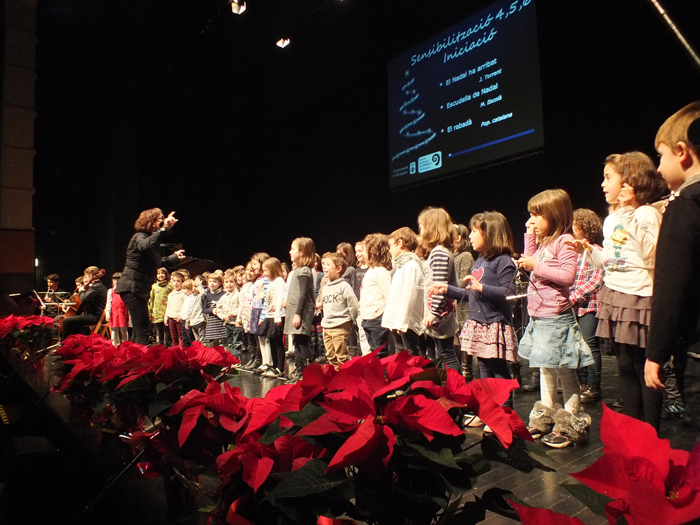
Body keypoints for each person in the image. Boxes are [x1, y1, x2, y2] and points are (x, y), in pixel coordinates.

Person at [576, 153, 667, 431]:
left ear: (629, 182)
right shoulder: (611, 219)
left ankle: (651, 433)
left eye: (609, 177)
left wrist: (629, 212)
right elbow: (611, 262)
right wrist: (590, 253)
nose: (603, 184)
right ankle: (634, 431)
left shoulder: (646, 213)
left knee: (643, 368)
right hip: (615, 295)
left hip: (640, 297)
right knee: (625, 366)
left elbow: (650, 255)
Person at [518, 189, 594, 448]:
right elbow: (531, 260)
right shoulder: (543, 243)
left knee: (564, 371)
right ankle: (545, 417)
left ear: (552, 214)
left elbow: (567, 276)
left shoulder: (564, 241)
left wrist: (534, 266)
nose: (532, 219)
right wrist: (530, 236)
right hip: (539, 317)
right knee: (545, 369)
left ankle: (571, 423)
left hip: (556, 319)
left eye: (536, 215)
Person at [645, 101, 700, 441]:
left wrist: (656, 354)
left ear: (682, 152)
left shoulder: (684, 207)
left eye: (661, 156)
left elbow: (670, 286)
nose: (659, 168)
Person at [435, 212, 518, 407]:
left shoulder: (503, 260)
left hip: (495, 323)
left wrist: (481, 287)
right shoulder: (479, 261)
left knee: (498, 371)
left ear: (490, 234)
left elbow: (509, 293)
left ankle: (504, 413)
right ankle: (489, 409)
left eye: (473, 231)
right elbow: (470, 294)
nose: (469, 236)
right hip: (479, 324)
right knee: (483, 368)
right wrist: (448, 290)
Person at [115, 209, 185, 345]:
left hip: (137, 289)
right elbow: (144, 245)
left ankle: (130, 361)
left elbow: (159, 262)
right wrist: (164, 229)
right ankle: (139, 364)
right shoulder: (139, 237)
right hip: (132, 287)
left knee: (138, 330)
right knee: (143, 331)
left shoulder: (149, 242)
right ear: (152, 222)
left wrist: (175, 258)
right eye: (160, 219)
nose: (162, 221)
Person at [418, 207, 461, 372]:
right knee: (443, 353)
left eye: (422, 227)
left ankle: (456, 390)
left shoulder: (439, 253)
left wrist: (434, 313)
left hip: (441, 314)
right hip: (439, 313)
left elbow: (440, 286)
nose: (420, 232)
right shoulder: (439, 252)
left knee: (447, 353)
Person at [570, 209, 604, 402]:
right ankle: (581, 382)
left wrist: (574, 295)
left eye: (575, 224)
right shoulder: (573, 252)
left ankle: (593, 385)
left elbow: (596, 280)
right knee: (576, 344)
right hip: (573, 305)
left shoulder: (596, 250)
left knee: (589, 343)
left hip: (589, 304)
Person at [382, 227, 424, 356]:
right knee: (400, 354)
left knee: (411, 355)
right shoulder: (401, 265)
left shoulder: (411, 266)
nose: (389, 250)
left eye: (391, 245)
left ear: (400, 243)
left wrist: (402, 322)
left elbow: (408, 296)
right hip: (397, 320)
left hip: (406, 322)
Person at [284, 237, 316, 383]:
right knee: (297, 341)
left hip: (301, 312)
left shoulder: (304, 270)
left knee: (302, 342)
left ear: (302, 252)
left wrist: (298, 314)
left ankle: (306, 374)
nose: (290, 252)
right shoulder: (298, 270)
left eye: (293, 249)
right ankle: (299, 371)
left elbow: (303, 294)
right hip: (295, 311)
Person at [321, 252, 359, 369]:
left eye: (328, 264)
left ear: (338, 269)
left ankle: (344, 380)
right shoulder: (326, 287)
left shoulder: (344, 286)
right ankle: (335, 379)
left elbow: (353, 304)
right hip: (327, 326)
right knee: (330, 356)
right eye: (324, 264)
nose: (324, 267)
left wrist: (352, 320)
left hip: (340, 325)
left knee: (341, 356)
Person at [359, 233, 393, 358]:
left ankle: (384, 376)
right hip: (367, 318)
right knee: (373, 352)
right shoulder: (371, 270)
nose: (362, 254)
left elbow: (389, 296)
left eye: (364, 250)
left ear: (373, 251)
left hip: (377, 319)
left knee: (380, 354)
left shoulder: (380, 271)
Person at [453, 224, 475, 377]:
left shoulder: (465, 256)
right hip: (453, 303)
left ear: (458, 237)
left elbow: (464, 280)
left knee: (463, 336)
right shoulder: (452, 256)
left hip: (463, 304)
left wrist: (447, 287)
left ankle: (466, 371)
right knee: (455, 337)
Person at [60, 267, 108, 338]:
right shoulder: (97, 286)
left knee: (66, 321)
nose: (84, 279)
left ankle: (64, 344)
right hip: (92, 315)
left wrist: (81, 291)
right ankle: (75, 343)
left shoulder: (96, 287)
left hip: (95, 316)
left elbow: (83, 298)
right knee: (74, 323)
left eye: (86, 276)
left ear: (90, 276)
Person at [259, 257, 287, 378]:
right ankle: (274, 366)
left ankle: (280, 367)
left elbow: (280, 297)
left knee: (278, 342)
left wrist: (277, 316)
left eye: (266, 270)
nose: (264, 274)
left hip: (278, 316)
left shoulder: (279, 281)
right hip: (270, 315)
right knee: (271, 341)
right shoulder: (271, 282)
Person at [218, 269, 241, 358]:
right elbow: (219, 309)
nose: (229, 284)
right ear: (224, 284)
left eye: (231, 282)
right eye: (226, 282)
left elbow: (241, 307)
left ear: (235, 283)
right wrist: (222, 316)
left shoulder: (238, 295)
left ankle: (237, 359)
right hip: (227, 323)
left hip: (236, 323)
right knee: (230, 342)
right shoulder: (223, 297)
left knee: (237, 342)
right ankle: (231, 359)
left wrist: (234, 313)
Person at [354, 241, 371, 355]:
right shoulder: (356, 271)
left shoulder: (371, 270)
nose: (357, 254)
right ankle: (365, 355)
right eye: (356, 251)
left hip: (369, 306)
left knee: (370, 333)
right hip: (359, 307)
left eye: (360, 251)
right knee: (362, 332)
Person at [149, 268, 173, 346]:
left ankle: (167, 344)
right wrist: (150, 312)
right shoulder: (154, 286)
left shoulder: (170, 286)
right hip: (157, 312)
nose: (160, 275)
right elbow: (151, 299)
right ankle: (160, 345)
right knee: (159, 330)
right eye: (158, 274)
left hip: (167, 311)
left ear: (166, 275)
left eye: (162, 273)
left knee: (167, 330)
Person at [202, 273, 227, 347]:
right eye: (210, 281)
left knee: (225, 341)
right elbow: (205, 309)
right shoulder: (206, 295)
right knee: (214, 344)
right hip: (213, 322)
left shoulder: (224, 294)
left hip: (222, 321)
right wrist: (212, 310)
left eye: (214, 281)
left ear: (219, 283)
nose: (212, 283)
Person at [105, 272, 129, 346]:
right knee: (114, 330)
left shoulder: (125, 291)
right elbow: (108, 303)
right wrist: (107, 313)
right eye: (115, 279)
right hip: (114, 313)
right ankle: (114, 346)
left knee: (123, 330)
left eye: (118, 279)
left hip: (123, 312)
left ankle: (125, 345)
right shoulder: (111, 291)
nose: (117, 281)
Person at [180, 278, 205, 346]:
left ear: (191, 289)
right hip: (191, 322)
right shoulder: (187, 298)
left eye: (185, 289)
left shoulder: (196, 297)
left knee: (202, 339)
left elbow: (203, 293)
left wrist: (198, 285)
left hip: (199, 320)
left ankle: (203, 352)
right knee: (196, 340)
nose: (183, 290)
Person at [164, 271, 186, 347]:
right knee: (173, 337)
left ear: (182, 282)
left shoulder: (184, 294)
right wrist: (166, 316)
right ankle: (175, 351)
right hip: (171, 318)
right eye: (174, 281)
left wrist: (181, 316)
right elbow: (168, 306)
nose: (176, 283)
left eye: (178, 281)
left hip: (179, 318)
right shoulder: (171, 294)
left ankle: (182, 351)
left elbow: (185, 306)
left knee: (181, 336)